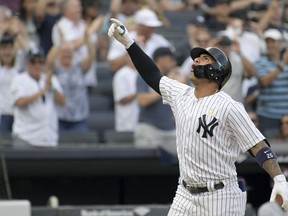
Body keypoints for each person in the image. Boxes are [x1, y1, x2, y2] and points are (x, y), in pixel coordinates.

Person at [108, 18, 288, 216]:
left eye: (204, 59)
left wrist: (278, 179)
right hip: (185, 193)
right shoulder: (180, 94)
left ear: (217, 71)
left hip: (220, 196)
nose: (196, 60)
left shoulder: (228, 106)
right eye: (197, 57)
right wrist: (129, 44)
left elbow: (258, 145)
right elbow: (152, 75)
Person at [11, 49, 65, 148]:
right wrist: (42, 91)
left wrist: (51, 87)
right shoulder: (19, 79)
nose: (37, 65)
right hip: (26, 138)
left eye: (40, 62)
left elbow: (63, 102)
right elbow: (20, 102)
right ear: (27, 63)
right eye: (33, 62)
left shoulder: (51, 79)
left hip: (49, 138)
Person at [135, 47, 178, 148]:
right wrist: (167, 83)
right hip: (149, 129)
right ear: (160, 60)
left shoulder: (172, 77)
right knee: (148, 163)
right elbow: (142, 101)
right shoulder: (145, 75)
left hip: (170, 130)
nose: (173, 63)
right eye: (170, 59)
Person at [255, 28, 288, 139]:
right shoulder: (261, 62)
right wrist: (282, 65)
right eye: (267, 42)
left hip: (286, 116)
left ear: (280, 44)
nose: (270, 45)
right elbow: (264, 81)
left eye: (273, 41)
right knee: (267, 151)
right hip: (267, 115)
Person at [0, 33, 21, 134]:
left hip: (19, 115)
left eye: (10, 48)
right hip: (2, 115)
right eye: (3, 49)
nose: (7, 52)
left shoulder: (20, 70)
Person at [112, 58, 139, 132]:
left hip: (141, 124)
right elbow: (122, 99)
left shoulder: (142, 73)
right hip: (126, 123)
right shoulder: (121, 74)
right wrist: (141, 91)